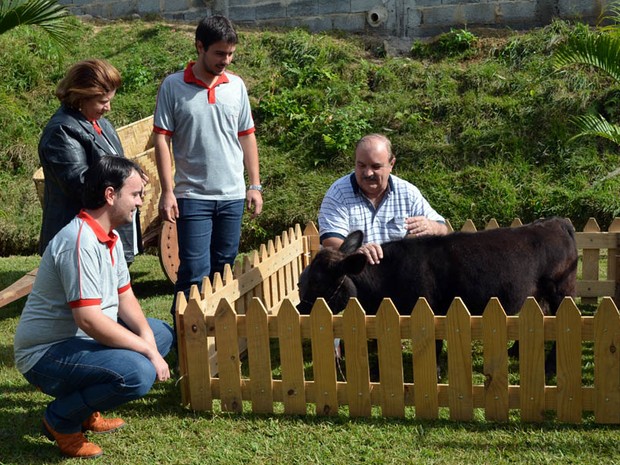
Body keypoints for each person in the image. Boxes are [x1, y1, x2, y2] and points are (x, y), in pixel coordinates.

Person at [13, 156, 174, 459]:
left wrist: (148, 341)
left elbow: (125, 298)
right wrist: (147, 353)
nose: (140, 202)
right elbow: (88, 320)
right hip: (45, 353)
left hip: (79, 342)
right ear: (110, 194)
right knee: (138, 373)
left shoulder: (109, 237)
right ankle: (61, 419)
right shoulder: (79, 241)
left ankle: (87, 409)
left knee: (161, 333)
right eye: (136, 194)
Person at [153, 15, 263, 320]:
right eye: (219, 54)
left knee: (224, 268)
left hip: (232, 196)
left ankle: (216, 334)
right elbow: (161, 140)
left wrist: (254, 185)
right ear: (200, 47)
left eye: (230, 54)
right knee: (193, 270)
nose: (225, 60)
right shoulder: (173, 87)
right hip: (192, 195)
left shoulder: (236, 86)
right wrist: (167, 191)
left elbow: (247, 136)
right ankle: (183, 340)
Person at [38, 58, 142, 264]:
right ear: (80, 97)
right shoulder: (62, 131)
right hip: (79, 243)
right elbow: (81, 184)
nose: (108, 108)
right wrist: (126, 179)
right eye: (103, 102)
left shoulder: (100, 124)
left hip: (105, 236)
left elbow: (116, 166)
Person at [318, 133, 448, 264]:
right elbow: (330, 240)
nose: (368, 173)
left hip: (399, 275)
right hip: (355, 277)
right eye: (361, 165)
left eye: (376, 166)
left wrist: (431, 226)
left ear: (391, 164)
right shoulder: (338, 193)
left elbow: (443, 228)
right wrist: (357, 252)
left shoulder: (408, 193)